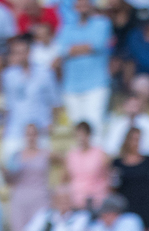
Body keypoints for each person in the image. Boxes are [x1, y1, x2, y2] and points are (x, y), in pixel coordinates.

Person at [55, 0, 112, 139]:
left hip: (96, 84)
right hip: (71, 86)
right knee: (77, 129)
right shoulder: (66, 28)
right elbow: (61, 50)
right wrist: (85, 47)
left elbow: (96, 45)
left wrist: (72, 49)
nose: (82, 7)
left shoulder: (102, 23)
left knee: (95, 127)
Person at [0, 36, 59, 161]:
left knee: (40, 170)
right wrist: (3, 126)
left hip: (40, 130)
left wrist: (51, 122)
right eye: (16, 53)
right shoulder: (8, 76)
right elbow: (7, 105)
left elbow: (55, 102)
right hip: (15, 130)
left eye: (22, 52)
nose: (20, 56)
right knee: (12, 169)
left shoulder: (45, 74)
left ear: (29, 52)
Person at [111, 127, 149, 231]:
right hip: (126, 202)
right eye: (133, 139)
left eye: (138, 139)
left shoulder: (148, 160)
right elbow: (113, 183)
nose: (136, 143)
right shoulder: (117, 163)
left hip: (145, 201)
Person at [5, 124, 54, 231]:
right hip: (20, 200)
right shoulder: (16, 155)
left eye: (34, 134)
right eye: (28, 134)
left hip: (40, 199)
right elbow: (9, 180)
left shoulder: (46, 153)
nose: (31, 137)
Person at [103, 93, 149, 157]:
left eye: (135, 106)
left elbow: (148, 148)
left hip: (144, 160)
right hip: (120, 159)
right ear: (124, 106)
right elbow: (110, 147)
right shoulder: (116, 124)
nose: (132, 109)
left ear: (141, 106)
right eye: (130, 105)